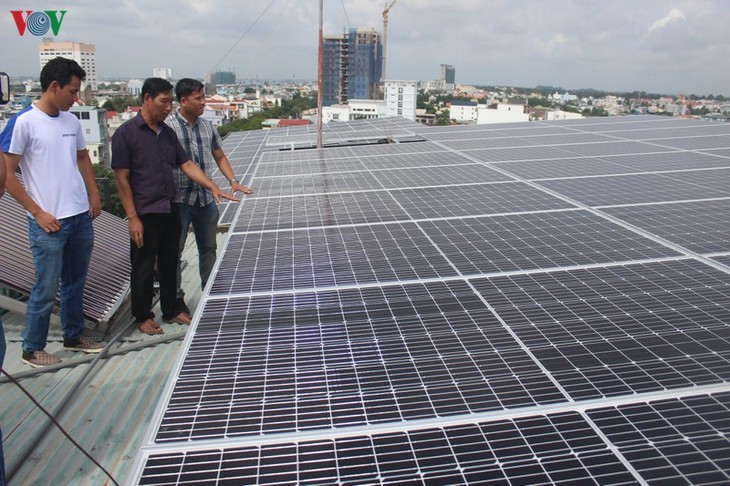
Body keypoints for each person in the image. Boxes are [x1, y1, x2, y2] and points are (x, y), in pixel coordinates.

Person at [112, 78, 238, 335]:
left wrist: (213, 186)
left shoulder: (166, 133)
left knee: (170, 262)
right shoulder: (127, 133)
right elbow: (122, 180)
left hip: (169, 205)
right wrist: (132, 218)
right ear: (147, 99)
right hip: (145, 211)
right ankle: (143, 315)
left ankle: (171, 309)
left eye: (170, 102)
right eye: (164, 101)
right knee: (144, 264)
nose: (168, 107)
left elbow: (187, 164)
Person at [1, 57, 103, 368]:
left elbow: (83, 157)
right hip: (48, 222)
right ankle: (32, 348)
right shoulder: (23, 122)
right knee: (45, 288)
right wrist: (37, 212)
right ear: (54, 86)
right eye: (72, 92)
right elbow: (6, 174)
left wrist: (93, 193)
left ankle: (73, 336)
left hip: (79, 217)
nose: (77, 98)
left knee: (75, 281)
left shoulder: (71, 122)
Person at [167, 78, 252, 313]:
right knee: (174, 252)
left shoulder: (207, 126)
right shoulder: (168, 127)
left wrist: (233, 181)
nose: (203, 102)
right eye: (199, 98)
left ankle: (211, 293)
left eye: (203, 97)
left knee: (208, 248)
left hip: (206, 199)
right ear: (183, 101)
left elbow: (219, 156)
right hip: (179, 200)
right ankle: (176, 299)